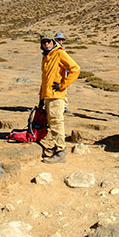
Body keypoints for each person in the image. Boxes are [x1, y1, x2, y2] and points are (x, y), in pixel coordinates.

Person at [39, 31, 80, 164]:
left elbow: (75, 68)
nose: (46, 44)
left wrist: (63, 85)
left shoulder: (59, 53)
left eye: (48, 41)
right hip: (48, 95)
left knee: (56, 122)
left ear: (53, 41)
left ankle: (60, 152)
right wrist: (41, 97)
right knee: (52, 123)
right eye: (44, 42)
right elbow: (44, 78)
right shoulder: (46, 56)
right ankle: (57, 147)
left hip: (56, 95)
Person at [54, 32, 72, 115]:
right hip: (55, 74)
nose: (60, 41)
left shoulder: (62, 49)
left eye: (62, 40)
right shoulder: (52, 50)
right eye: (59, 39)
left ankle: (64, 107)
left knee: (64, 89)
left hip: (63, 73)